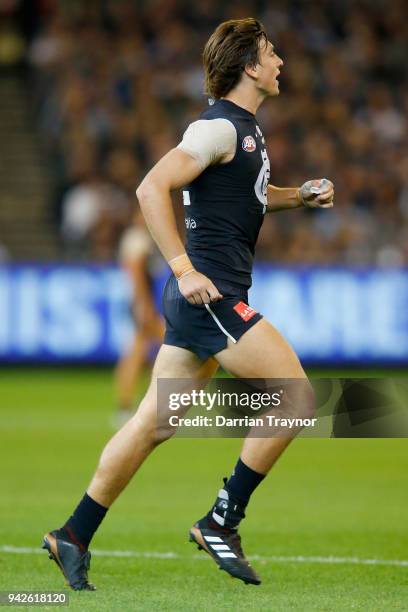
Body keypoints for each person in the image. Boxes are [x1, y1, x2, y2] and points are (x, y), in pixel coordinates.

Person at [42, 17, 334, 589]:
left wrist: (298, 196)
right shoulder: (218, 129)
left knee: (155, 422)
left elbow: (248, 196)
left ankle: (73, 534)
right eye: (272, 54)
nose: (280, 63)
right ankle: (222, 520)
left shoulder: (242, 130)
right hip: (211, 298)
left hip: (205, 299)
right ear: (250, 67)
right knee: (296, 393)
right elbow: (151, 187)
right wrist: (183, 267)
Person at [113, 211, 165, 428]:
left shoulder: (137, 237)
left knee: (140, 353)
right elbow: (136, 272)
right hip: (141, 303)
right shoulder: (138, 238)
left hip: (139, 302)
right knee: (167, 347)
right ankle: (133, 405)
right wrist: (144, 306)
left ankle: (133, 405)